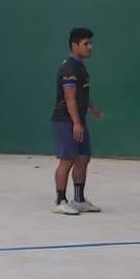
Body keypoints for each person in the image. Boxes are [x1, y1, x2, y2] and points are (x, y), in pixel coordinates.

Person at [50, 28, 105, 215]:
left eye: (91, 43)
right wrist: (76, 123)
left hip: (77, 119)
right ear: (74, 46)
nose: (90, 47)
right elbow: (70, 97)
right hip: (66, 120)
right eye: (86, 44)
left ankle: (79, 199)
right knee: (67, 160)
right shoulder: (69, 68)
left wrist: (92, 108)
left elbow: (80, 94)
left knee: (83, 158)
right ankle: (60, 200)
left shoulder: (80, 66)